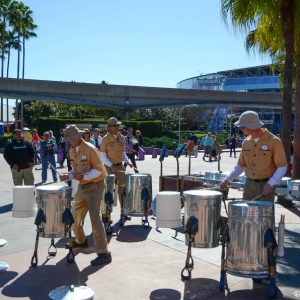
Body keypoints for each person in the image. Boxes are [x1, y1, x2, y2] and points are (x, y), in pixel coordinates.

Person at [59, 125, 111, 266]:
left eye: (69, 140)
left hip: (95, 186)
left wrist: (82, 175)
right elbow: (75, 171)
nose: (68, 142)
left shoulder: (90, 149)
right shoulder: (71, 150)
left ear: (77, 138)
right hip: (83, 186)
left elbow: (99, 171)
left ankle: (103, 253)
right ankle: (81, 240)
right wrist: (67, 176)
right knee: (74, 214)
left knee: (95, 218)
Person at [220, 111, 288, 202]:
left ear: (252, 125)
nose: (240, 129)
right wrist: (227, 180)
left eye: (243, 126)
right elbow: (241, 166)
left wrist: (271, 183)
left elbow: (282, 166)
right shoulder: (246, 143)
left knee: (263, 216)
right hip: (248, 185)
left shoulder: (274, 142)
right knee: (246, 215)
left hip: (265, 186)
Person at [100, 117, 133, 221]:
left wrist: (128, 161)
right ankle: (106, 215)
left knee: (123, 189)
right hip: (109, 167)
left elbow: (123, 152)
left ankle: (123, 211)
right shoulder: (105, 139)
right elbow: (102, 155)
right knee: (107, 191)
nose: (117, 127)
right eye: (115, 125)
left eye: (118, 125)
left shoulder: (121, 137)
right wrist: (111, 165)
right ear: (109, 127)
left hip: (120, 166)